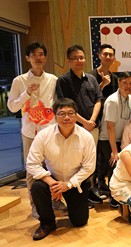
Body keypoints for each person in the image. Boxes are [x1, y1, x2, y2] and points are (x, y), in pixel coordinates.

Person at [7, 42, 65, 219]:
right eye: (34, 55)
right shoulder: (20, 81)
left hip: (50, 130)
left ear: (45, 58)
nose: (38, 58)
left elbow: (58, 104)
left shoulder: (53, 79)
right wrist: (27, 94)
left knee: (52, 167)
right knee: (32, 169)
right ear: (27, 58)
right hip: (30, 132)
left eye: (41, 54)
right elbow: (12, 107)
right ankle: (36, 205)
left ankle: (54, 199)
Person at [26, 98, 96, 240]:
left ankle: (71, 207)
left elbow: (89, 167)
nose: (67, 117)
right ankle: (47, 223)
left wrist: (68, 185)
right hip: (52, 180)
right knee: (37, 187)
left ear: (76, 116)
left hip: (75, 182)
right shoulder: (43, 135)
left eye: (71, 113)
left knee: (79, 222)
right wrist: (52, 183)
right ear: (54, 116)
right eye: (62, 114)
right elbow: (32, 163)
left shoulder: (86, 137)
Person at [95, 72, 131, 207]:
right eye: (125, 83)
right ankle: (114, 197)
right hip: (107, 139)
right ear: (119, 83)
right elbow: (110, 127)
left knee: (120, 165)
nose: (128, 86)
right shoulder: (112, 101)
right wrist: (114, 151)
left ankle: (118, 192)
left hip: (121, 138)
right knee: (114, 164)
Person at [56, 44, 103, 143]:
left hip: (93, 126)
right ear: (68, 61)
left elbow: (98, 100)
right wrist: (85, 123)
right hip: (73, 127)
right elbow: (65, 106)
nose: (79, 61)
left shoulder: (91, 79)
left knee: (91, 156)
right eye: (75, 58)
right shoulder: (63, 80)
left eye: (81, 58)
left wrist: (91, 121)